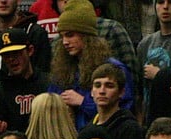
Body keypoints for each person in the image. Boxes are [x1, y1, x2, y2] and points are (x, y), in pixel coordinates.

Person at [48, 0, 134, 130]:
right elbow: (51, 98)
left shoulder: (114, 69)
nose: (65, 42)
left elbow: (122, 111)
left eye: (70, 35)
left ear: (86, 36)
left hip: (103, 138)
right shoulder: (63, 68)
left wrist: (83, 102)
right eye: (62, 36)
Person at [0, 28, 52, 136]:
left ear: (30, 50)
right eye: (6, 55)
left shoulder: (49, 83)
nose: (11, 59)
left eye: (16, 53)